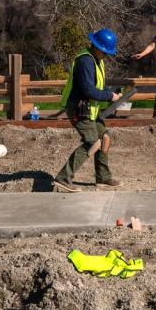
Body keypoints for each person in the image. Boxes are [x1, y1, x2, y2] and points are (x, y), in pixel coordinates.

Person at [53, 28, 124, 193]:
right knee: (93, 142)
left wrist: (111, 93)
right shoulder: (85, 61)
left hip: (90, 108)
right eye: (105, 51)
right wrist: (109, 96)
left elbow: (99, 86)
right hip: (79, 108)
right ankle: (63, 178)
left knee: (105, 137)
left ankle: (103, 178)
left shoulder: (97, 60)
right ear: (98, 47)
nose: (107, 55)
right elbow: (87, 90)